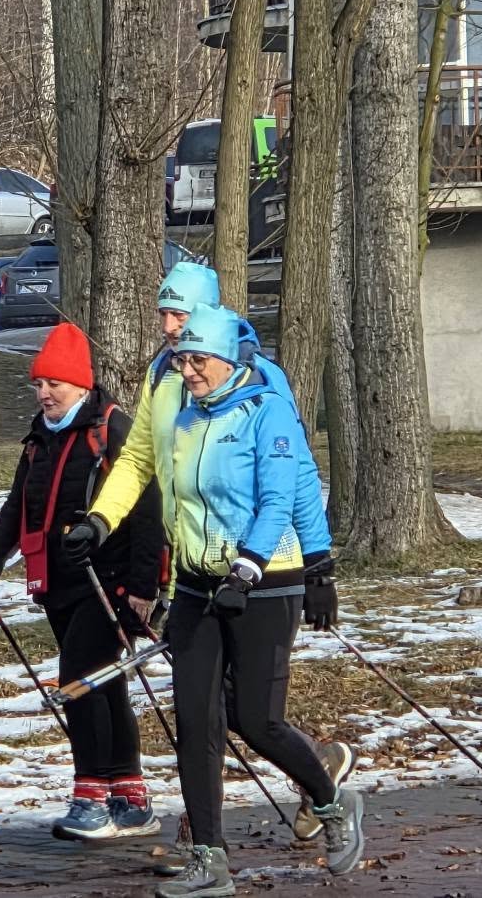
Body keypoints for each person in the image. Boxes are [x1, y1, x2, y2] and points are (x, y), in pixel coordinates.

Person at [72, 305, 363, 898]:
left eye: (197, 358)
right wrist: (100, 524)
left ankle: (332, 801)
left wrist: (266, 569)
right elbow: (155, 484)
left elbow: (279, 500)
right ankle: (209, 857)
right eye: (181, 359)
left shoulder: (266, 409)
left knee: (256, 720)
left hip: (265, 580)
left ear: (228, 359)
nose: (187, 369)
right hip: (198, 586)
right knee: (197, 721)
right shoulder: (183, 415)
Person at [0, 322, 167, 842]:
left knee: (78, 682)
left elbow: (148, 511)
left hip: (111, 582)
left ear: (81, 384)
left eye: (55, 383)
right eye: (38, 384)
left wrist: (145, 588)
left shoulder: (113, 431)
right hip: (56, 583)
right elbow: (19, 506)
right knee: (104, 683)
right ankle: (130, 796)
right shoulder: (40, 438)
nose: (45, 393)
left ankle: (91, 796)